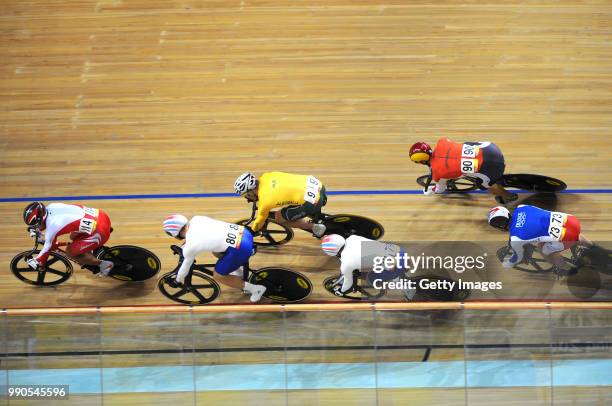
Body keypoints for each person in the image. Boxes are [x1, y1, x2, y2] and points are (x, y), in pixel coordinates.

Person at [162, 214, 266, 302]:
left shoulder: (190, 246)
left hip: (241, 248)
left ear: (175, 233)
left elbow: (185, 268)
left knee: (218, 276)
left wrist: (177, 280)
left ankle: (256, 289)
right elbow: (198, 237)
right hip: (244, 233)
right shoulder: (197, 219)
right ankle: (239, 271)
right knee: (216, 251)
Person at [488, 205, 593, 274]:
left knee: (543, 249)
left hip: (567, 238)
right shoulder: (521, 207)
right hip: (571, 220)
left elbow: (517, 258)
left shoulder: (516, 238)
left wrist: (508, 263)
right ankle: (591, 245)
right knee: (566, 233)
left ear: (499, 227)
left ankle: (565, 269)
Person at [409, 138, 518, 204]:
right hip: (491, 148)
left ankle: (509, 196)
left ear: (422, 161)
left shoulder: (438, 173)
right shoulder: (442, 141)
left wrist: (431, 190)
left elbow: (440, 189)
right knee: (465, 145)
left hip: (492, 167)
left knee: (487, 186)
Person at [23, 202, 116, 276]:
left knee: (70, 252)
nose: (36, 227)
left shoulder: (53, 226)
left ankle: (104, 264)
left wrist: (36, 260)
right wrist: (38, 230)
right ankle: (88, 252)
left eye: (36, 225)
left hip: (100, 231)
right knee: (73, 236)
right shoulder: (52, 206)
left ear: (41, 219)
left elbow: (48, 246)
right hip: (100, 215)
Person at [233, 171, 327, 237]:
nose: (247, 198)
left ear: (250, 192)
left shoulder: (265, 201)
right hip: (318, 184)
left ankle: (316, 228)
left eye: (246, 195)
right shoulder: (266, 176)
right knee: (292, 201)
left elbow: (259, 221)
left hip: (313, 202)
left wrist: (252, 231)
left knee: (279, 217)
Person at [321, 234, 412, 298]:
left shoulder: (346, 263)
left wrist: (341, 292)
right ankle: (397, 275)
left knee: (371, 278)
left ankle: (402, 286)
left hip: (397, 264)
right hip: (398, 250)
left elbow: (348, 285)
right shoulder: (352, 238)